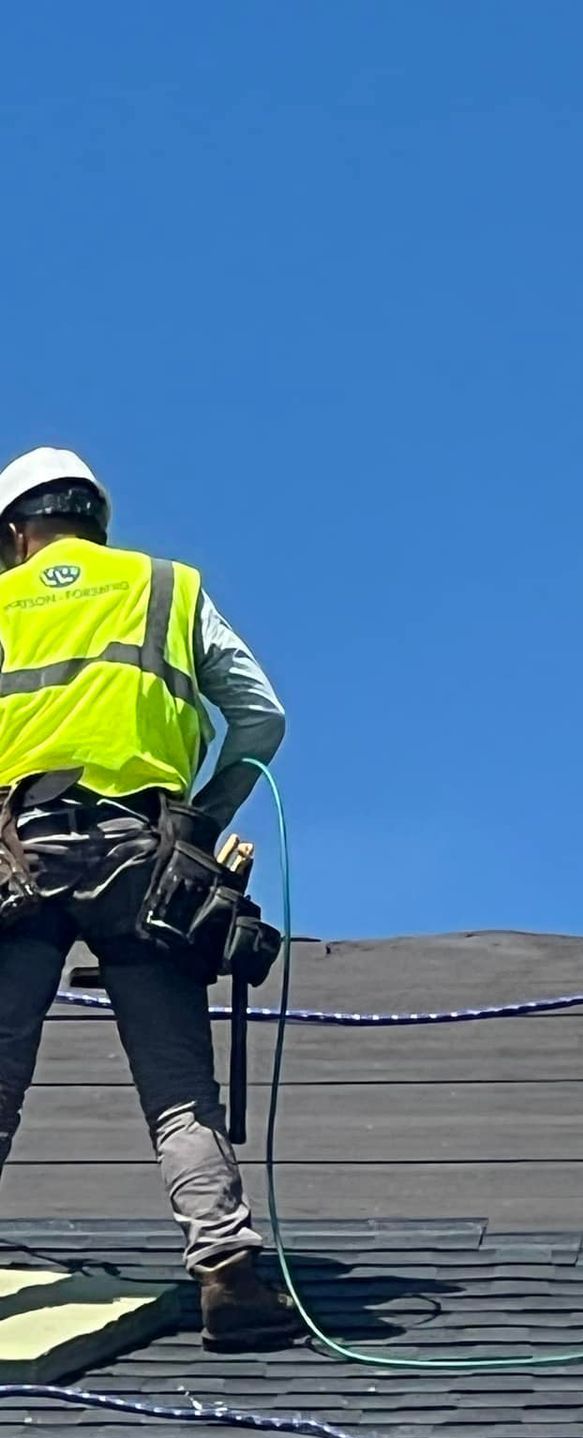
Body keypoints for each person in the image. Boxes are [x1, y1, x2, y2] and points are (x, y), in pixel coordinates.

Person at [0, 446, 302, 1347]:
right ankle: (230, 1280)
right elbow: (261, 718)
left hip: (18, 854)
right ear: (96, 522)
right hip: (144, 858)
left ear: (15, 534)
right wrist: (202, 821)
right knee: (177, 1087)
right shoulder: (165, 589)